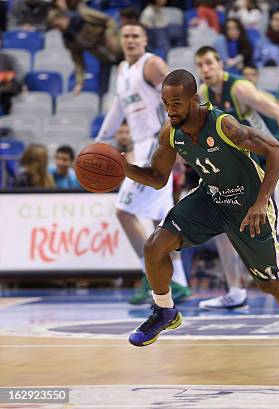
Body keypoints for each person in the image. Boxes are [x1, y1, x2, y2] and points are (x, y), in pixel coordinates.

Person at [125, 69, 279, 368]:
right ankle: (164, 310)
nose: (170, 110)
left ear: (193, 100)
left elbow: (276, 152)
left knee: (269, 282)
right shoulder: (171, 132)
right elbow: (157, 178)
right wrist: (122, 167)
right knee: (154, 246)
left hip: (248, 205)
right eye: (165, 102)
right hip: (211, 198)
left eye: (176, 103)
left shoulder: (224, 125)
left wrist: (261, 202)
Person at [194, 46, 279, 311]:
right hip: (239, 171)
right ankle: (234, 291)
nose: (205, 69)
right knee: (221, 226)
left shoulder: (240, 89)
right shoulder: (204, 95)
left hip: (269, 164)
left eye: (210, 63)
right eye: (200, 65)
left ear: (220, 63)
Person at [95, 22, 190, 305]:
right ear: (120, 41)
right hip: (142, 145)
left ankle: (152, 275)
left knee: (124, 211)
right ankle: (178, 282)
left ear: (145, 39)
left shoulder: (151, 64)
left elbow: (180, 95)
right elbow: (118, 107)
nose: (131, 40)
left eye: (136, 35)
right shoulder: (123, 70)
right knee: (161, 221)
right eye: (126, 36)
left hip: (156, 145)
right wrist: (100, 140)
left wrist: (176, 141)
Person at [47, 7, 121, 95]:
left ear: (64, 18)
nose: (58, 29)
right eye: (55, 27)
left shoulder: (84, 15)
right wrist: (79, 82)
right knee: (103, 91)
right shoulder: (68, 40)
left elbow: (109, 20)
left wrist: (110, 34)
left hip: (119, 50)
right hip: (104, 59)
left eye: (58, 25)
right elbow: (78, 61)